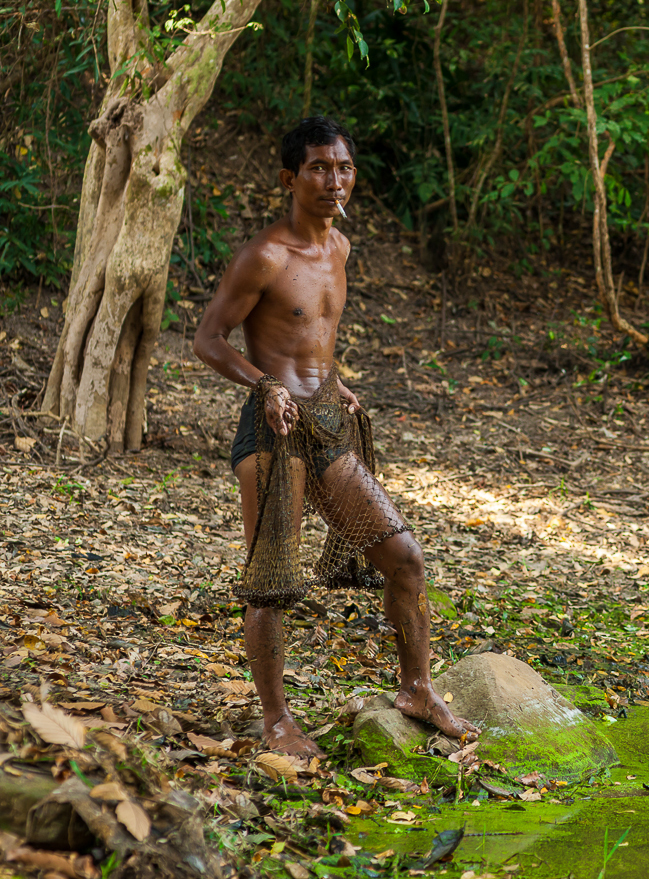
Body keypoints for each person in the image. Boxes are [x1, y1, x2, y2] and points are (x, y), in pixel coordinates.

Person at [194, 116, 473, 755]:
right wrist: (263, 385)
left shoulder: (339, 248)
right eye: (319, 168)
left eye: (342, 167)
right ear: (291, 179)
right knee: (273, 579)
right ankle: (275, 721)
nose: (333, 179)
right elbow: (208, 339)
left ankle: (416, 688)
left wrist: (335, 381)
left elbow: (315, 338)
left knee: (404, 559)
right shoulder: (265, 255)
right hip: (273, 431)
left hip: (325, 421)